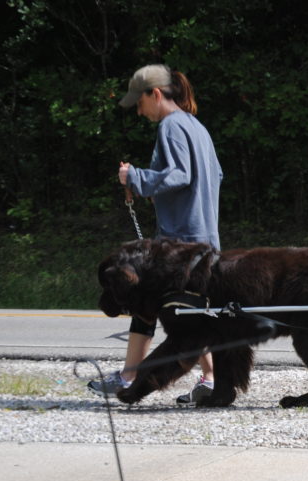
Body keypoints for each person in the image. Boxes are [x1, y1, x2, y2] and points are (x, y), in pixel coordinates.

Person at [88, 64, 223, 406]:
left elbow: (179, 174)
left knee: (147, 303)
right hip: (205, 238)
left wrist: (135, 177)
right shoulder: (197, 127)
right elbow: (213, 175)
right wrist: (158, 190)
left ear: (156, 94)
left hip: (179, 244)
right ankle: (209, 379)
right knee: (193, 314)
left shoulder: (171, 125)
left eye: (139, 101)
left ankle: (128, 376)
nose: (138, 109)